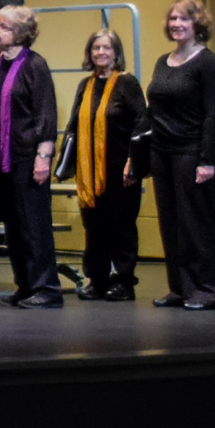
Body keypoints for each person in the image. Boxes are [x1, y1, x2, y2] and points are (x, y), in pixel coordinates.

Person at [128, 0, 215, 310]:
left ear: (197, 24)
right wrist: (137, 156)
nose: (176, 24)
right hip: (162, 151)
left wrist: (207, 159)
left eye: (184, 19)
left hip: (192, 152)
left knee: (197, 224)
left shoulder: (207, 63)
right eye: (173, 19)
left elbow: (213, 115)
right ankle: (181, 288)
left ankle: (210, 291)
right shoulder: (163, 61)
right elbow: (151, 110)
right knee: (170, 223)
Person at [0, 6, 62, 308]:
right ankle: (26, 285)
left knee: (33, 225)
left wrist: (43, 157)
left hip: (27, 157)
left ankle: (47, 288)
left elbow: (45, 115)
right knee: (13, 226)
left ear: (21, 33)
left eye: (4, 26)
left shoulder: (34, 66)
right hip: (3, 160)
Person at [58, 28, 141, 303]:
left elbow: (141, 123)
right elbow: (73, 124)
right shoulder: (86, 84)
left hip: (120, 170)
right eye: (96, 48)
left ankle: (123, 282)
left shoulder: (127, 83)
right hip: (89, 172)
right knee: (94, 228)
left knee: (121, 227)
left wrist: (133, 161)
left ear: (116, 53)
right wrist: (63, 162)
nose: (101, 53)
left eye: (106, 48)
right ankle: (97, 279)